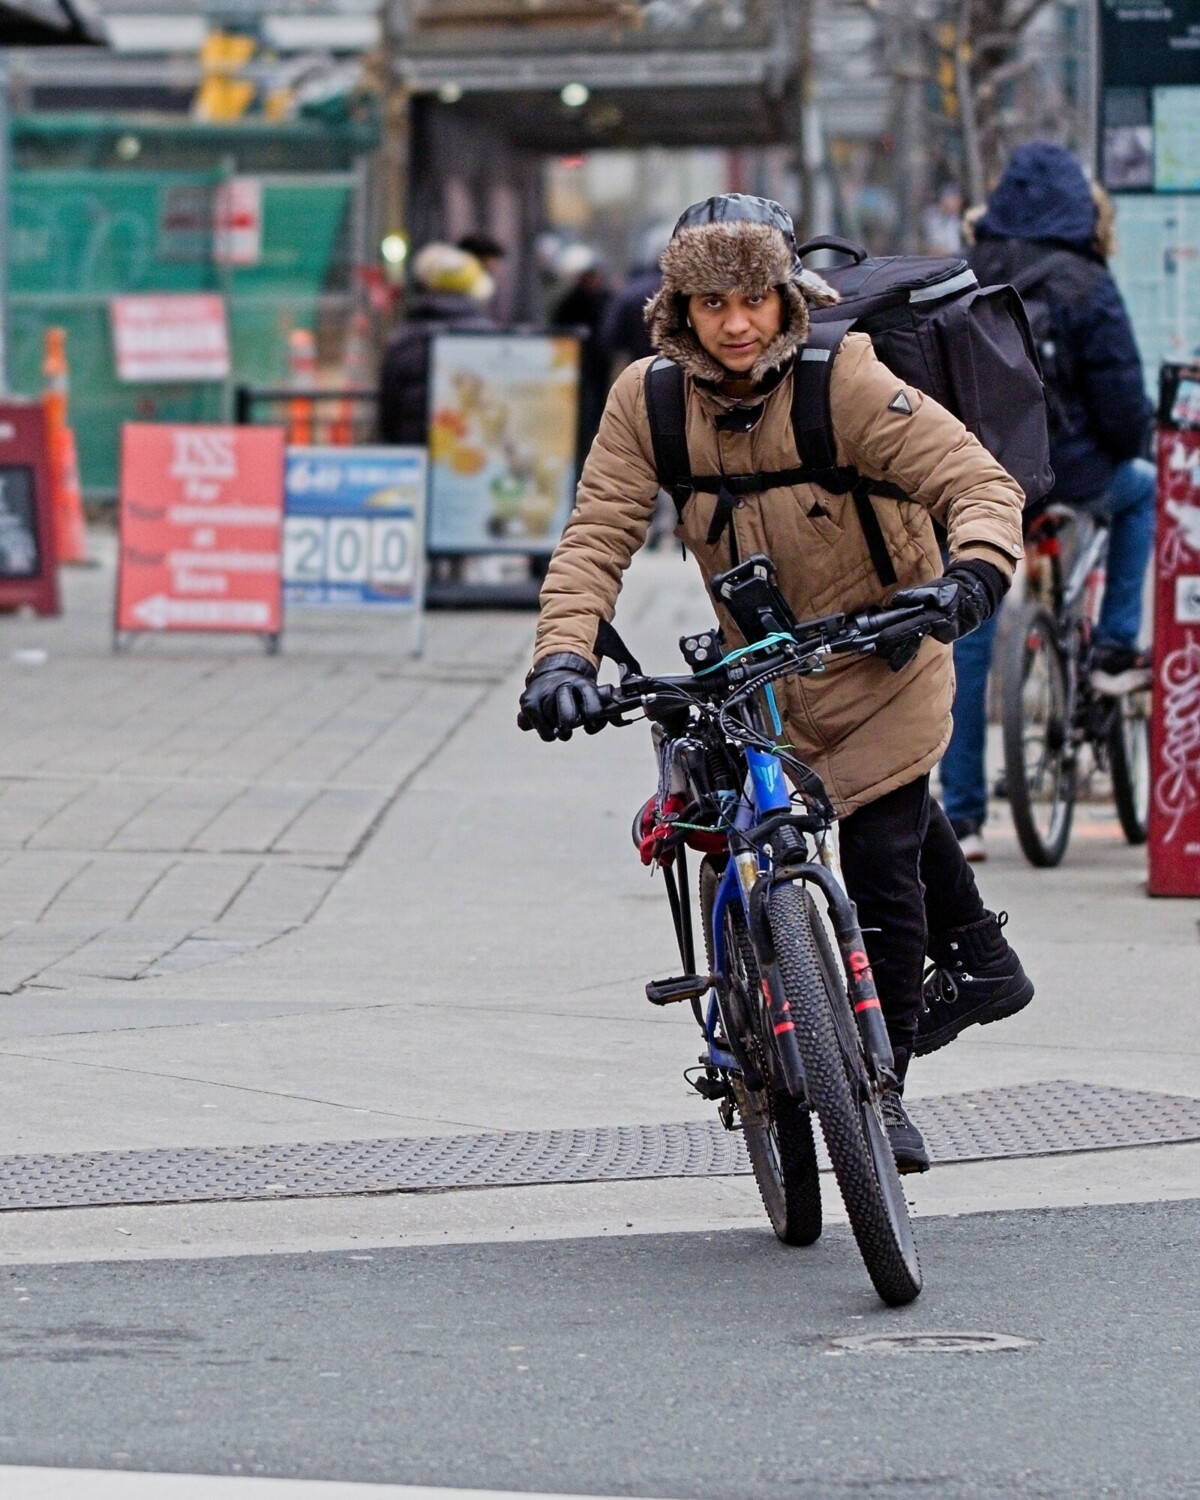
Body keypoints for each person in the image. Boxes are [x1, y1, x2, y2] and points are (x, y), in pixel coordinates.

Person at [518, 194, 1034, 1173]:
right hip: (760, 669)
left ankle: (879, 1094)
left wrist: (971, 577)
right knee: (737, 823)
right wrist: (562, 660)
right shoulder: (648, 399)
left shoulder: (841, 378)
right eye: (714, 304)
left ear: (785, 294)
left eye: (756, 297)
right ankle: (832, 993)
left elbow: (976, 482)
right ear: (681, 309)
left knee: (882, 854)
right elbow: (595, 537)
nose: (740, 322)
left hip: (890, 641)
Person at [939, 144, 1156, 860]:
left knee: (969, 637)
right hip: (1075, 476)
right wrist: (1132, 442)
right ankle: (1115, 647)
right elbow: (1124, 410)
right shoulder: (1086, 282)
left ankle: (963, 817)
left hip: (985, 481)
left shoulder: (964, 277)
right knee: (1142, 492)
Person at [378, 243, 496, 446]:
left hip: (413, 458)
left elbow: (388, 414)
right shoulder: (492, 339)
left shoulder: (403, 341)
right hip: (471, 460)